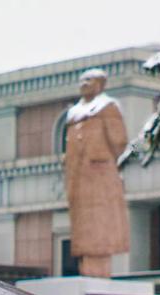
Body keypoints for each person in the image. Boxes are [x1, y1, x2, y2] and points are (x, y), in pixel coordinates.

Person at [64, 68, 130, 278]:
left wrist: (100, 158)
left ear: (100, 83)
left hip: (101, 176)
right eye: (81, 79)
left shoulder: (108, 107)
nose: (84, 83)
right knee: (83, 228)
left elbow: (120, 142)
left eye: (89, 80)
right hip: (78, 177)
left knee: (101, 227)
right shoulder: (74, 113)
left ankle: (99, 273)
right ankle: (88, 271)